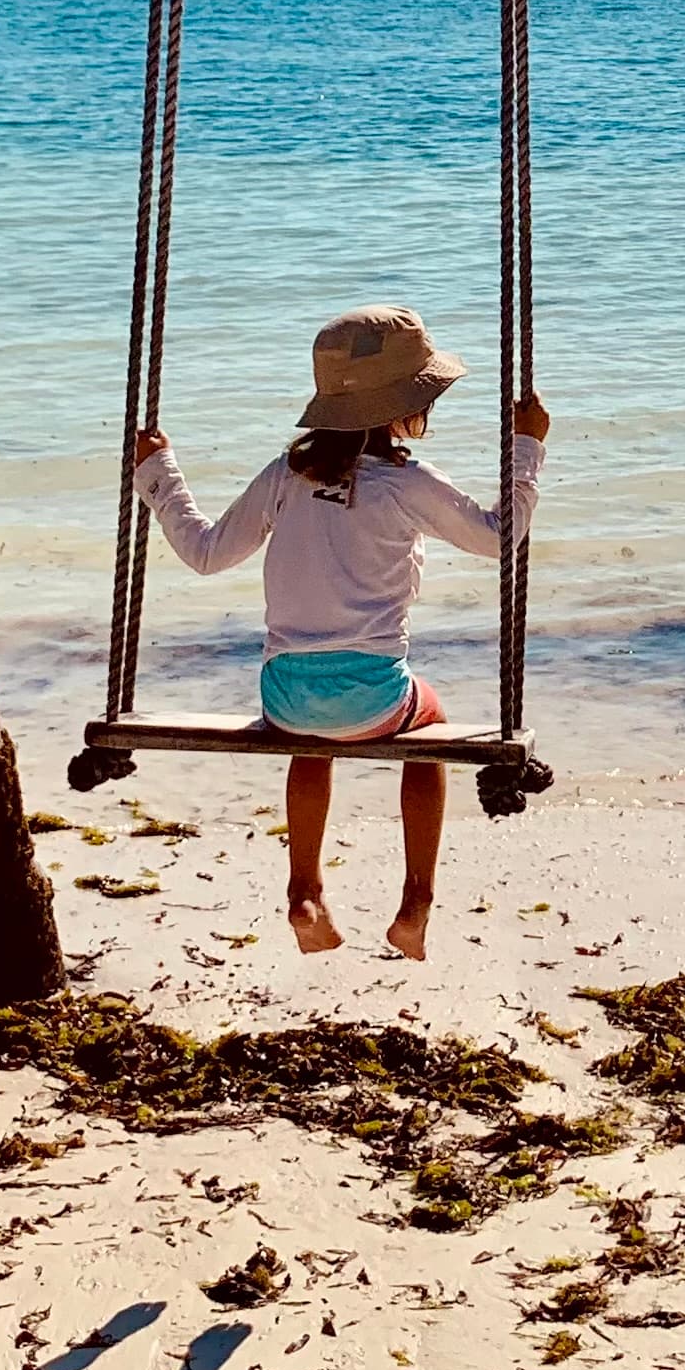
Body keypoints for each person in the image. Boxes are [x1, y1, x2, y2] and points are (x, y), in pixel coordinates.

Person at [131, 303, 546, 959]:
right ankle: (415, 901)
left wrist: (158, 471)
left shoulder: (284, 475)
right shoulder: (406, 482)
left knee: (310, 740)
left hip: (284, 696)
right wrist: (527, 447)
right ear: (405, 405)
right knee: (429, 729)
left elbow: (206, 552)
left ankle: (304, 889)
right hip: (377, 702)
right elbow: (500, 538)